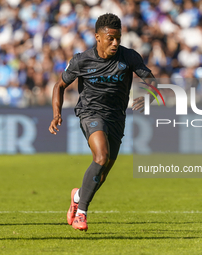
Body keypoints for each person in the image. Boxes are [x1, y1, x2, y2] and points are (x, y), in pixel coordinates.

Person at [49, 13, 155, 231]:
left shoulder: (129, 57)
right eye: (110, 38)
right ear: (98, 37)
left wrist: (148, 95)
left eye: (118, 38)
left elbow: (152, 81)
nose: (115, 43)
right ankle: (81, 213)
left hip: (116, 117)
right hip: (91, 113)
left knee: (103, 172)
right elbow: (59, 86)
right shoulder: (81, 60)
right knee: (101, 156)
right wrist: (56, 114)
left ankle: (78, 195)